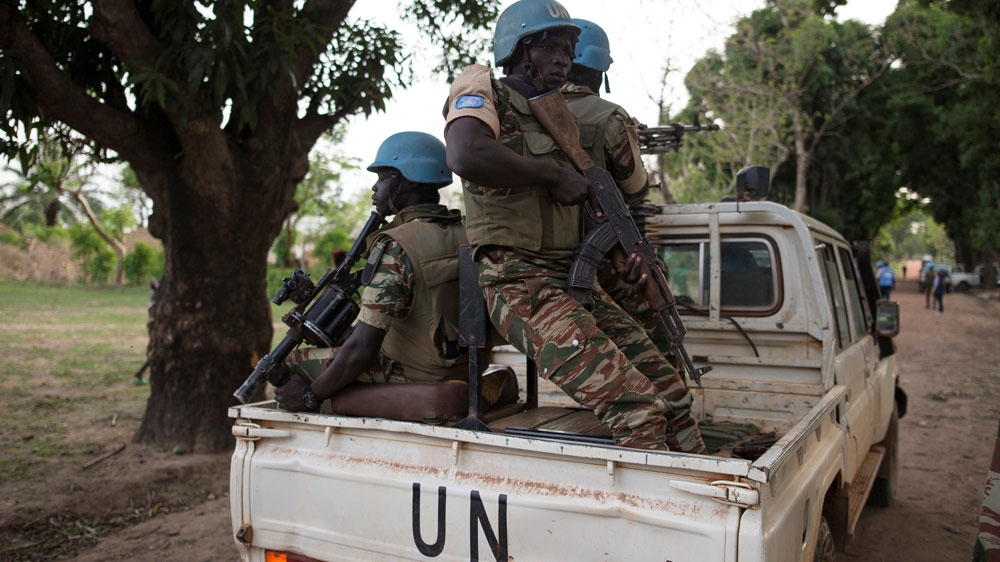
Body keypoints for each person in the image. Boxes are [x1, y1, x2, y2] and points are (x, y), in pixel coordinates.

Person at [443, 0, 705, 453]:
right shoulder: (484, 86)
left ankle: (701, 491)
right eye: (550, 48)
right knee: (638, 409)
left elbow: (580, 204)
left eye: (567, 49)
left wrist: (622, 251)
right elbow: (465, 154)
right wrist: (552, 175)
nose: (563, 58)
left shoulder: (559, 117)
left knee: (672, 393)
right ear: (519, 49)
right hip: (519, 282)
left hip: (571, 281)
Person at [274, 131, 469, 412]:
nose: (375, 189)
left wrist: (310, 395)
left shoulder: (398, 245)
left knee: (292, 363)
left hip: (416, 370)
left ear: (405, 181)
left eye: (382, 178)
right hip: (460, 365)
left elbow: (362, 349)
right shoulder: (464, 231)